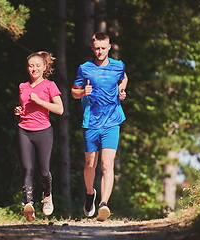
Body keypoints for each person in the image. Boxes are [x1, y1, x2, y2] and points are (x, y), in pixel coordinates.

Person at [71, 32, 128, 221]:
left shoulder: (118, 66)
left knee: (107, 164)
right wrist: (82, 93)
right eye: (97, 48)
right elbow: (73, 91)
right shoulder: (84, 68)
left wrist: (122, 89)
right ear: (92, 48)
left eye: (103, 47)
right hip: (91, 122)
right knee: (90, 164)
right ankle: (90, 194)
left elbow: (124, 78)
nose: (100, 51)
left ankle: (104, 204)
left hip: (112, 121)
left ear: (109, 47)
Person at [14, 51, 64, 221]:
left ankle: (47, 196)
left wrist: (40, 101)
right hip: (23, 130)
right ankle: (28, 205)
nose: (33, 68)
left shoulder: (50, 85)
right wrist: (19, 110)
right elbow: (25, 106)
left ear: (44, 67)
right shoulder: (23, 86)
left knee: (43, 170)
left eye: (37, 65)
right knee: (27, 169)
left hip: (43, 131)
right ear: (27, 68)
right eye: (30, 66)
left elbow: (59, 109)